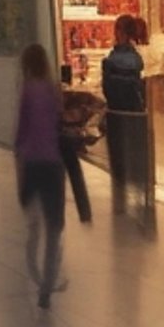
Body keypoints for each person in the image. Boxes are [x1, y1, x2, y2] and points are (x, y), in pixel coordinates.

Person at [16, 43, 68, 308]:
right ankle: (47, 285)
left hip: (33, 164)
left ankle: (37, 277)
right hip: (53, 165)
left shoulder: (27, 91)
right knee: (54, 229)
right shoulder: (52, 90)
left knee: (33, 229)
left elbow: (21, 134)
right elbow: (59, 124)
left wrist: (20, 175)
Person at [102, 14, 149, 211]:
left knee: (118, 159)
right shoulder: (137, 59)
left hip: (116, 114)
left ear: (119, 32)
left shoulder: (112, 60)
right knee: (137, 156)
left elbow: (108, 90)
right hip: (136, 114)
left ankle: (120, 200)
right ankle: (141, 199)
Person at [59, 66, 105, 225]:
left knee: (60, 176)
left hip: (58, 136)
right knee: (75, 173)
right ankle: (84, 211)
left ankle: (57, 212)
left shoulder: (50, 93)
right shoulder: (81, 99)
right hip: (69, 138)